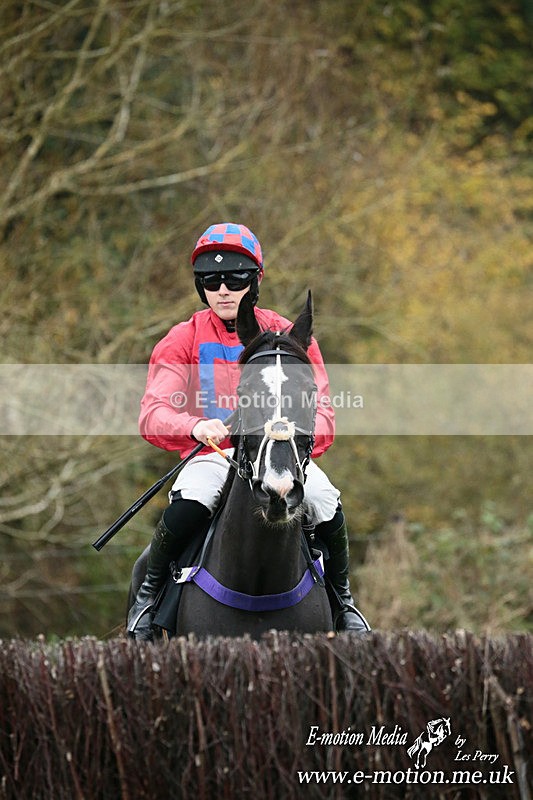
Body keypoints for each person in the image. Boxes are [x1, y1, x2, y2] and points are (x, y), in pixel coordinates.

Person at [128, 222, 370, 640]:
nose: (223, 289)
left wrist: (295, 439)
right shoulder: (181, 340)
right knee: (194, 499)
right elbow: (153, 413)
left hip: (282, 454)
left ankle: (345, 604)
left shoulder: (292, 338)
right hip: (212, 456)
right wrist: (195, 425)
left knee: (322, 496)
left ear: (255, 281)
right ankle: (147, 601)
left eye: (235, 278)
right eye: (210, 280)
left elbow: (324, 413)